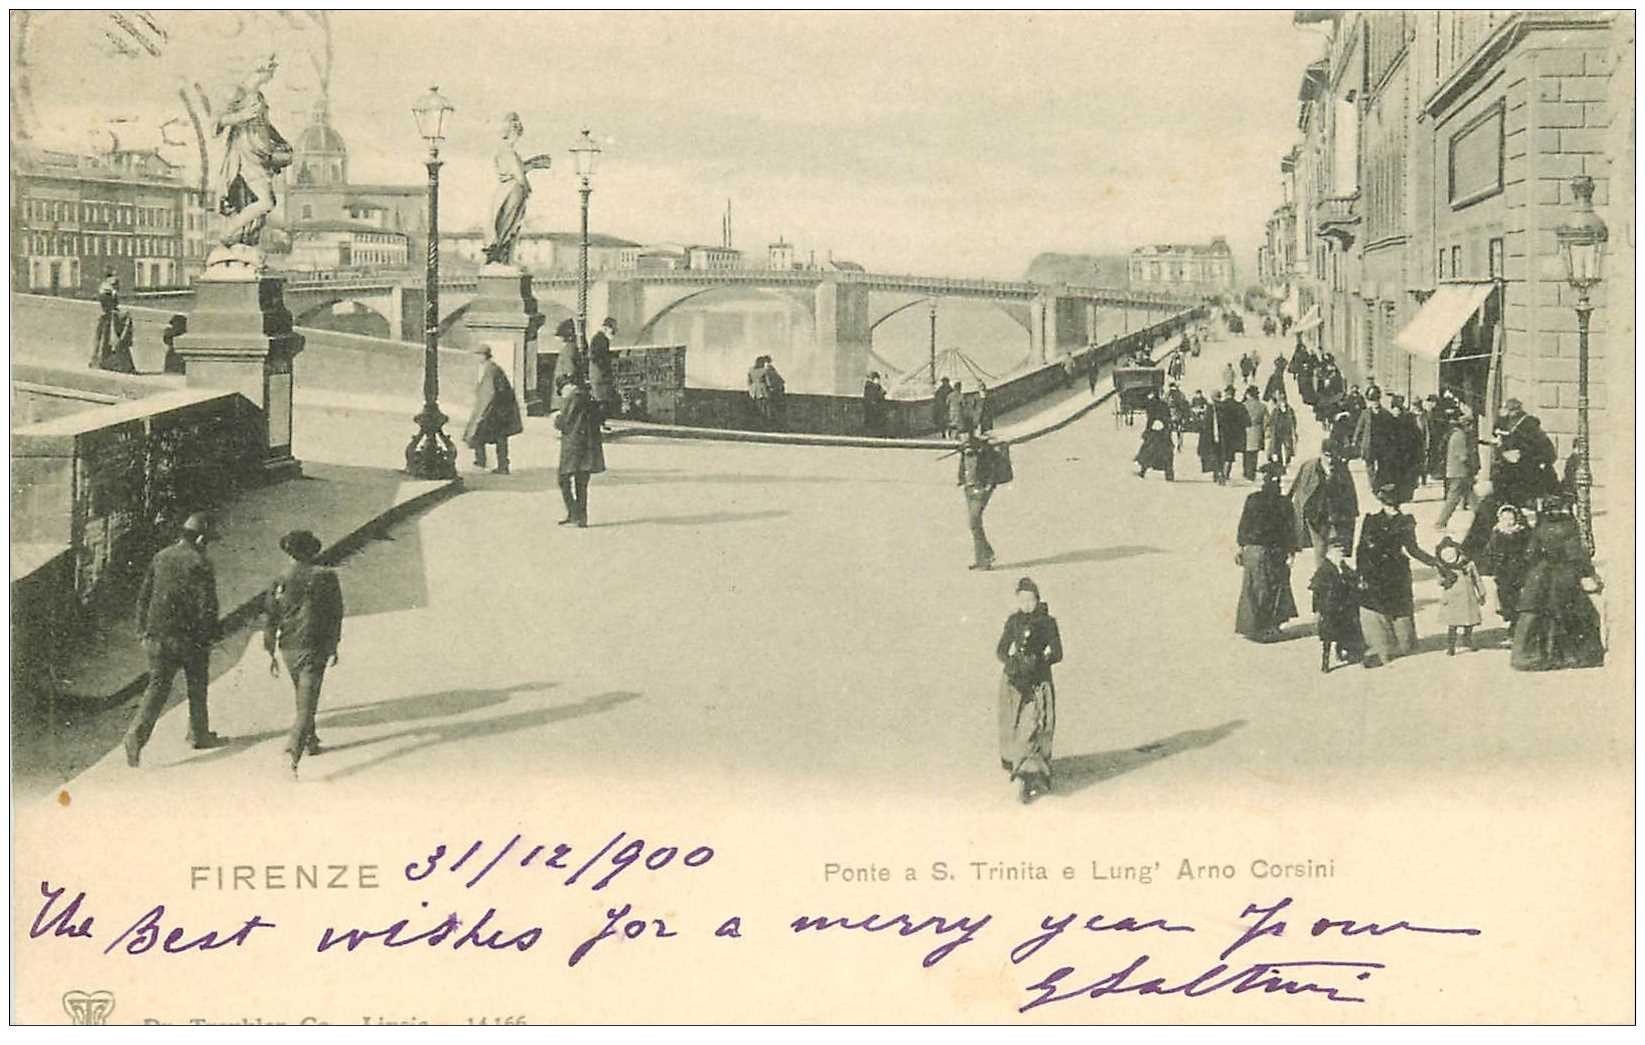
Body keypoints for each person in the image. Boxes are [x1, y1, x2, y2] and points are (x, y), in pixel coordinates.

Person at [124, 513, 223, 766]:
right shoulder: (200, 562)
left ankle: (135, 737)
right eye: (207, 540)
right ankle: (198, 734)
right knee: (197, 687)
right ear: (200, 538)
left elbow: (143, 597)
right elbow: (207, 606)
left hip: (156, 637)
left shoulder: (161, 556)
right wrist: (211, 634)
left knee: (157, 688)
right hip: (189, 639)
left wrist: (142, 630)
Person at [262, 529, 344, 778]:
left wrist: (270, 650)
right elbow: (335, 615)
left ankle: (311, 740)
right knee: (307, 705)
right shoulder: (325, 577)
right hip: (314, 646)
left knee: (302, 693)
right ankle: (292, 753)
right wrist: (334, 644)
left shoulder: (280, 578)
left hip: (288, 647)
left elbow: (270, 616)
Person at [1354, 482, 1451, 669]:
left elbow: (1413, 549)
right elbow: (1362, 550)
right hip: (1374, 571)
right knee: (1375, 609)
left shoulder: (1406, 521)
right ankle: (1377, 646)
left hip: (1396, 571)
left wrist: (1436, 562)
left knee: (1405, 641)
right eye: (1387, 503)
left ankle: (1396, 641)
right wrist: (1361, 575)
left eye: (1393, 504)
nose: (1390, 507)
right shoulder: (1371, 520)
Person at [1510, 496, 1605, 671]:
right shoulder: (1569, 527)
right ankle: (1574, 655)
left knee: (1535, 613)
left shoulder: (1540, 527)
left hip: (1540, 575)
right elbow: (1576, 554)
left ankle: (1531, 655)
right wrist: (1589, 573)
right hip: (1564, 574)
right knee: (1573, 611)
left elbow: (1530, 553)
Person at [214, 54, 293, 249]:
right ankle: (228, 233)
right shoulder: (239, 92)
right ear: (262, 70)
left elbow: (265, 125)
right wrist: (242, 116)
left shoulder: (259, 96)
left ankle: (239, 236)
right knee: (265, 202)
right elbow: (217, 121)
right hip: (245, 154)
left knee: (264, 203)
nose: (272, 77)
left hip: (261, 154)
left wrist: (281, 141)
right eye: (272, 72)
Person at [995, 577, 1062, 804]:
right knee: (1013, 722)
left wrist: (1040, 661)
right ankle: (1020, 767)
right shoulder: (1013, 621)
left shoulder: (1048, 622)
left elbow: (1057, 652)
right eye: (1022, 600)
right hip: (1014, 681)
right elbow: (1001, 649)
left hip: (1038, 681)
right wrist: (1012, 662)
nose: (1026, 604)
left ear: (1037, 599)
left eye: (1030, 599)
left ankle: (1034, 770)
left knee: (1036, 723)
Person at [1234, 461, 1299, 642]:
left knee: (1253, 589)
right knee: (1273, 588)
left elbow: (1243, 526)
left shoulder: (1252, 499)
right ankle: (1268, 627)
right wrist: (1291, 551)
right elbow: (1289, 530)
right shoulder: (1284, 503)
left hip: (1253, 550)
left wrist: (1241, 547)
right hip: (1273, 551)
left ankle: (1253, 627)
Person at [482, 112, 551, 266]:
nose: (517, 138)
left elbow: (518, 169)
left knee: (508, 224)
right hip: (512, 190)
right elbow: (518, 174)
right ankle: (500, 256)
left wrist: (533, 165)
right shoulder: (508, 152)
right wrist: (527, 186)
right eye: (516, 135)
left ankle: (501, 256)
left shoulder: (505, 152)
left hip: (507, 190)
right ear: (511, 133)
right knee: (507, 223)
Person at [1290, 441, 1360, 570]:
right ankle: (1322, 581)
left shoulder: (1342, 469)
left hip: (1336, 517)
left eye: (1334, 456)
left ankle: (1334, 578)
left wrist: (1351, 515)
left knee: (1337, 550)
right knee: (1321, 549)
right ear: (1321, 454)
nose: (1331, 459)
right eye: (1328, 456)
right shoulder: (1309, 467)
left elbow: (1350, 494)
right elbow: (1296, 489)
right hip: (1315, 517)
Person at [554, 375, 606, 527]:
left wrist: (556, 419)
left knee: (563, 479)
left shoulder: (572, 399)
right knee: (581, 483)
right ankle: (582, 518)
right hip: (588, 447)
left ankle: (573, 512)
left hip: (574, 446)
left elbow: (563, 423)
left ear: (566, 387)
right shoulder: (588, 398)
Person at [462, 346, 523, 474]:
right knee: (496, 436)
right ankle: (498, 464)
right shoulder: (491, 368)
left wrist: (482, 412)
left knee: (480, 431)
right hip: (499, 409)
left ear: (484, 355)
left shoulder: (491, 370)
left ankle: (486, 463)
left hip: (496, 410)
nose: (476, 357)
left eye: (478, 354)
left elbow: (489, 392)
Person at [1480, 503, 1534, 638]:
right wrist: (1490, 566)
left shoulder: (1521, 532)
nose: (1508, 522)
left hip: (1518, 570)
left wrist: (1527, 562)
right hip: (1502, 571)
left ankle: (1514, 622)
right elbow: (1490, 551)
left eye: (1511, 519)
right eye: (1505, 519)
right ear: (1499, 519)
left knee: (1516, 596)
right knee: (1503, 594)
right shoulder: (1497, 533)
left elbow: (1528, 549)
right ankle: (1509, 616)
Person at [958, 430, 1009, 569]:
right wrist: (962, 482)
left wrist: (988, 486)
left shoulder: (985, 453)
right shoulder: (964, 451)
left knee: (974, 521)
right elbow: (963, 468)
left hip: (981, 489)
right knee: (974, 524)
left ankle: (985, 557)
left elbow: (992, 471)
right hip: (969, 488)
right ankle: (982, 557)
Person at [1309, 546, 1364, 672]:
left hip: (1343, 607)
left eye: (1342, 552)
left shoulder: (1342, 566)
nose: (1341, 554)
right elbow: (1316, 592)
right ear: (1330, 553)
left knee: (1344, 632)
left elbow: (1352, 577)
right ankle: (1325, 662)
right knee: (1328, 639)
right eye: (1338, 551)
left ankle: (1343, 651)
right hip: (1329, 610)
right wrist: (1317, 611)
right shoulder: (1324, 570)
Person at [1434, 538, 1486, 655]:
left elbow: (1477, 579)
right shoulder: (1443, 567)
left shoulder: (1469, 564)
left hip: (1468, 597)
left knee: (1469, 621)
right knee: (1452, 624)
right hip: (1453, 599)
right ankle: (1451, 646)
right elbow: (1439, 580)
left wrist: (1481, 593)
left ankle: (1467, 639)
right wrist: (1446, 579)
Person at [1435, 406, 1480, 530]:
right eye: (1470, 426)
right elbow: (1463, 457)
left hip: (1459, 472)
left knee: (1471, 497)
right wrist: (1472, 467)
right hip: (1459, 472)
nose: (1472, 429)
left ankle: (1483, 519)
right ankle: (1440, 523)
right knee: (1453, 499)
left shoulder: (1457, 435)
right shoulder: (1460, 436)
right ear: (1466, 425)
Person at [1384, 396, 1426, 505]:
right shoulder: (1388, 420)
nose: (1396, 411)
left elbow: (1416, 435)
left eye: (1398, 408)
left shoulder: (1408, 418)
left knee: (1407, 476)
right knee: (1396, 475)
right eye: (1394, 408)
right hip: (1395, 454)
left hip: (1407, 453)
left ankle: (1406, 495)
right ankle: (1397, 495)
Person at [1134, 390, 1175, 481]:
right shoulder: (1164, 405)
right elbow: (1168, 418)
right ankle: (1169, 474)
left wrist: (1147, 431)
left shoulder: (1151, 405)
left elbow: (1150, 419)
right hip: (1164, 432)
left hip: (1155, 432)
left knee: (1148, 451)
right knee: (1166, 452)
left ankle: (1142, 471)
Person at [89, 295, 136, 373]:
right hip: (111, 343)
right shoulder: (107, 317)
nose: (103, 308)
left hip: (115, 342)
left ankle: (108, 363)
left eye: (105, 305)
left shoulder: (117, 316)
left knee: (116, 350)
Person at [587, 317, 619, 421]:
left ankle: (599, 424)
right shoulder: (601, 339)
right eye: (612, 328)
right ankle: (598, 424)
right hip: (600, 375)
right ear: (605, 328)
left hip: (599, 375)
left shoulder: (599, 338)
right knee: (601, 401)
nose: (614, 331)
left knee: (601, 400)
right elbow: (597, 357)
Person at [1264, 393, 1298, 471]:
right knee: (1276, 448)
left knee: (1288, 447)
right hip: (1277, 432)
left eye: (1283, 400)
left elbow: (1293, 421)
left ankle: (1287, 461)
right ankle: (1279, 463)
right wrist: (1269, 429)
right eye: (1280, 400)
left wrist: (1294, 430)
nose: (1282, 402)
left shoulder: (1290, 410)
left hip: (1287, 431)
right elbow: (1271, 421)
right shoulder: (1275, 410)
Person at [1241, 386, 1268, 481]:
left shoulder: (1243, 405)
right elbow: (1266, 421)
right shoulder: (1262, 406)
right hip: (1257, 431)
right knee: (1254, 454)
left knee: (1246, 453)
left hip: (1245, 431)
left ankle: (1246, 472)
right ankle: (1251, 473)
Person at [746, 356, 771, 429]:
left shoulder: (751, 370)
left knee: (755, 406)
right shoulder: (764, 370)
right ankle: (765, 423)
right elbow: (768, 381)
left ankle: (756, 423)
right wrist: (769, 388)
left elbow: (749, 381)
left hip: (754, 389)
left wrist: (751, 388)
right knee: (764, 406)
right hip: (762, 389)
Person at [862, 371, 887, 436]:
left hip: (871, 408)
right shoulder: (872, 386)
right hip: (874, 409)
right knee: (874, 423)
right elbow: (877, 395)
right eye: (878, 379)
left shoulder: (869, 386)